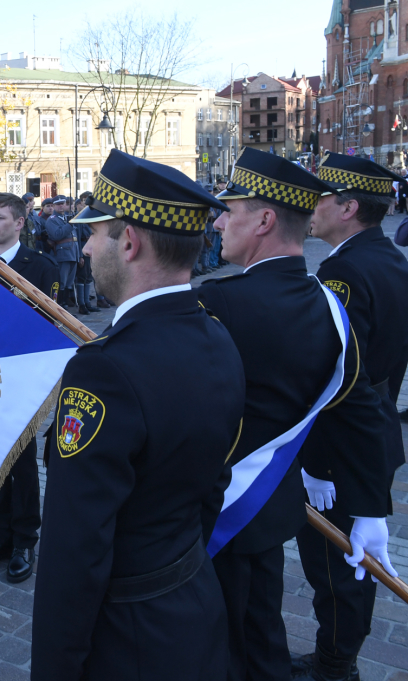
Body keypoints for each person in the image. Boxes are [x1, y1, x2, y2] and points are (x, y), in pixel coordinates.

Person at [31, 149, 245, 681]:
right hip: (192, 600)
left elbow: (73, 550)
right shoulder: (217, 332)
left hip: (128, 638)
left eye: (95, 233)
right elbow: (213, 481)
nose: (84, 246)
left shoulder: (103, 371)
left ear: (129, 241)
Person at [199, 148, 391, 681]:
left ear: (263, 220)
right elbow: (361, 410)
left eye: (228, 210)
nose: (217, 221)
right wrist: (372, 510)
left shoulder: (220, 303)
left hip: (215, 512)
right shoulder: (329, 304)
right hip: (270, 509)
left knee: (220, 644)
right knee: (261, 635)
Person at [290, 153, 408, 681]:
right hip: (375, 434)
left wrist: (315, 459)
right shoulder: (390, 259)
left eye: (321, 199)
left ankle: (336, 665)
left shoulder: (342, 269)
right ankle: (339, 655)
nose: (311, 209)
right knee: (351, 561)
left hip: (342, 449)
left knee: (336, 567)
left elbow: (339, 377)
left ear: (350, 206)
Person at [0, 193, 58, 583]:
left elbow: (49, 329)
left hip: (18, 380)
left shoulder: (39, 266)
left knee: (20, 463)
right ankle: (0, 534)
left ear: (20, 222)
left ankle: (24, 540)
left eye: (0, 218)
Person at [44, 195, 80, 308]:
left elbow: (75, 237)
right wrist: (70, 225)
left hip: (73, 252)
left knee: (70, 282)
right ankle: (60, 304)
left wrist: (79, 255)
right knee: (62, 282)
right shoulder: (52, 220)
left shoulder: (66, 217)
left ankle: (66, 303)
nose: (60, 206)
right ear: (54, 205)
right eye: (58, 204)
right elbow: (57, 235)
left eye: (62, 203)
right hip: (62, 253)